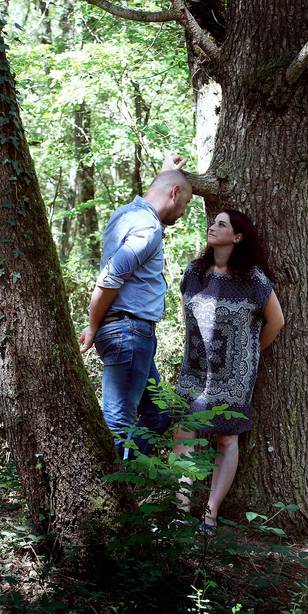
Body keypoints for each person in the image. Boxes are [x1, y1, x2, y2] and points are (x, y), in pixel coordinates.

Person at [173, 209, 285, 532]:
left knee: (226, 439)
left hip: (235, 375)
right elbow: (188, 317)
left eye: (222, 224)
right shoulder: (194, 272)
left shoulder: (253, 279)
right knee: (184, 434)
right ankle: (180, 511)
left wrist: (249, 354)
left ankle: (210, 513)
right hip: (195, 370)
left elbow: (276, 322)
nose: (213, 226)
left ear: (237, 237)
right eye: (214, 222)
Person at [79, 155, 192, 460]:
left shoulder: (127, 214)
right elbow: (110, 276)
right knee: (118, 420)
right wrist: (92, 325)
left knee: (157, 414)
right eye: (185, 204)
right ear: (174, 193)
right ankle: (110, 496)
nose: (182, 214)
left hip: (127, 332)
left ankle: (129, 479)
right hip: (128, 332)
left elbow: (161, 188)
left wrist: (167, 172)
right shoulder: (149, 229)